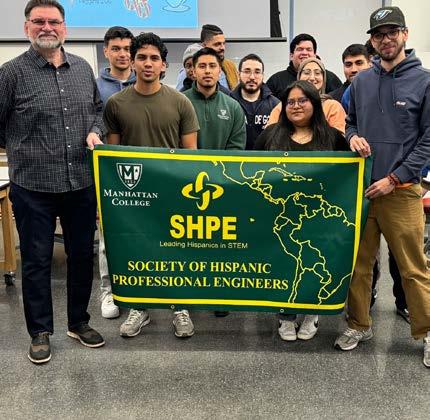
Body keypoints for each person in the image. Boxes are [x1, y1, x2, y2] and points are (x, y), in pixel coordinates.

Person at [0, 0, 105, 364]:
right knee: (36, 262)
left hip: (80, 183)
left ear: (65, 27)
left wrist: (94, 131)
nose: (47, 27)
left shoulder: (82, 68)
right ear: (27, 27)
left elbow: (97, 111)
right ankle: (40, 331)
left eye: (54, 21)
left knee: (81, 256)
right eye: (39, 21)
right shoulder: (11, 73)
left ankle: (78, 322)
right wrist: (23, 148)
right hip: (33, 188)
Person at [334, 6, 430, 368]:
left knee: (412, 267)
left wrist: (395, 178)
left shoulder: (424, 81)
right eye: (378, 34)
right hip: (362, 189)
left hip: (401, 190)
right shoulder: (360, 82)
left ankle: (427, 331)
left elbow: (428, 140)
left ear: (404, 34)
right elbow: (351, 122)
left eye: (392, 32)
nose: (385, 39)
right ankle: (359, 324)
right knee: (359, 264)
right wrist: (352, 136)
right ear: (372, 41)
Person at [102, 32, 199, 338]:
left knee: (176, 253)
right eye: (141, 57)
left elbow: (191, 156)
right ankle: (139, 307)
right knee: (137, 251)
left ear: (163, 65)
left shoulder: (181, 102)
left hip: (172, 194)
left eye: (154, 58)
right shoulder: (116, 104)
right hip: (135, 195)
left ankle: (179, 306)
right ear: (132, 62)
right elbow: (113, 156)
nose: (147, 63)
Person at [254, 80, 347, 341]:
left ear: (314, 104)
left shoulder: (332, 137)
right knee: (284, 264)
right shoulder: (270, 134)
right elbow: (252, 168)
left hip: (317, 217)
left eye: (302, 101)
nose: (296, 106)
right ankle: (285, 315)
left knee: (313, 263)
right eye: (290, 102)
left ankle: (311, 313)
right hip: (281, 218)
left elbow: (348, 174)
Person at [96, 26, 135, 319]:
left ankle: (141, 290)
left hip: (144, 174)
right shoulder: (95, 88)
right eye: (116, 49)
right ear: (106, 51)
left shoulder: (148, 82)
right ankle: (108, 289)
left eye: (127, 49)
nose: (122, 54)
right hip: (108, 174)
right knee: (108, 236)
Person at [184, 47, 246, 150]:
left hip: (224, 161)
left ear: (220, 71)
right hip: (188, 161)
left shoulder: (233, 107)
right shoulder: (180, 102)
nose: (207, 71)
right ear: (194, 71)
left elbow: (236, 148)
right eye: (202, 66)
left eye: (212, 66)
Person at [267, 57, 347, 134]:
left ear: (324, 78)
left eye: (317, 73)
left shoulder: (332, 107)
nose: (312, 78)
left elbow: (339, 139)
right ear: (299, 77)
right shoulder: (283, 106)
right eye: (306, 73)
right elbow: (269, 136)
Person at [266, 33, 342, 99]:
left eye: (309, 49)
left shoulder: (330, 78)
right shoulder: (276, 80)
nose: (304, 53)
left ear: (315, 55)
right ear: (291, 56)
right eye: (300, 49)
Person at [230, 53, 280, 150]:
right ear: (238, 74)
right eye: (247, 71)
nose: (252, 77)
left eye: (257, 72)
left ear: (263, 75)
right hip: (235, 157)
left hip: (265, 158)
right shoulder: (228, 102)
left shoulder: (275, 105)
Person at [176, 24, 239, 92]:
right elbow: (178, 97)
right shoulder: (188, 73)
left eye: (223, 43)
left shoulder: (230, 66)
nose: (222, 48)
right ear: (204, 46)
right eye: (217, 44)